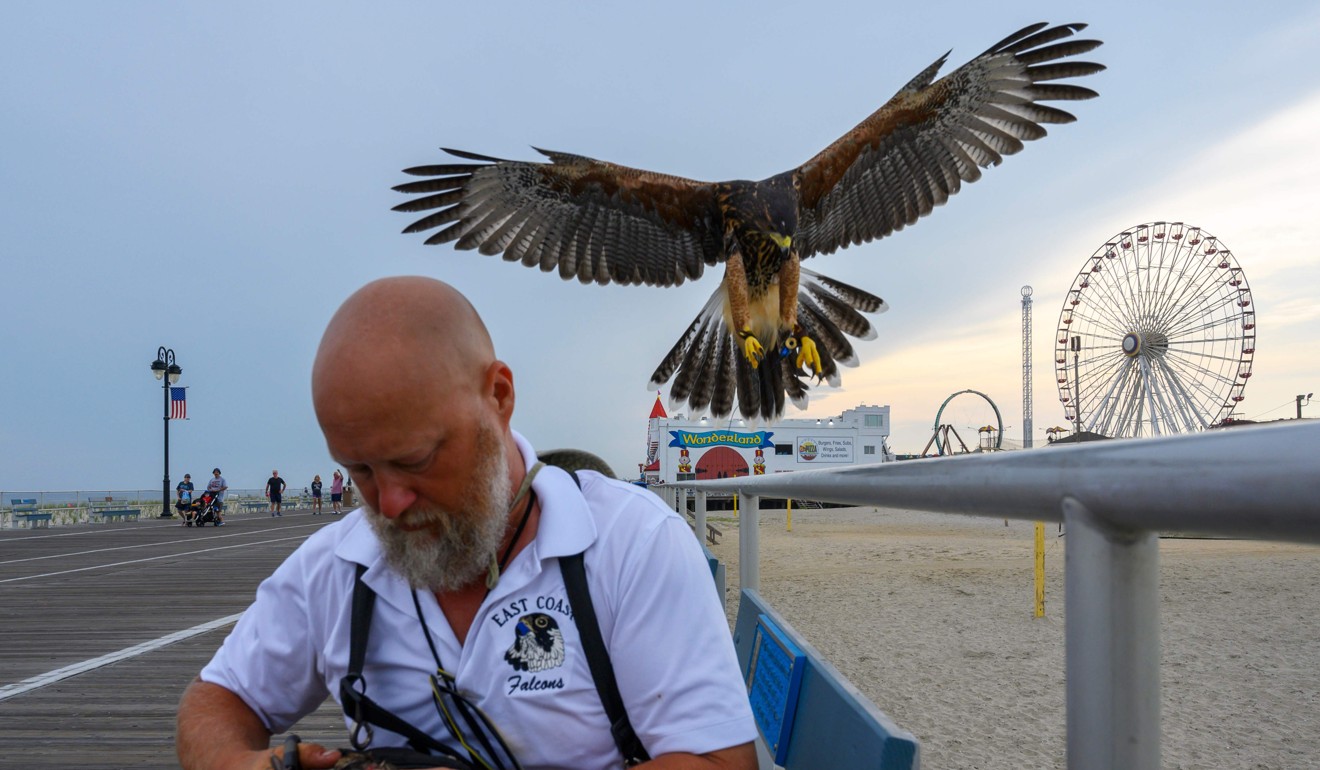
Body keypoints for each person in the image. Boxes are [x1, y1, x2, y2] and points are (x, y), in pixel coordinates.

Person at [176, 277, 757, 770]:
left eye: (415, 460)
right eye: (359, 470)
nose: (390, 503)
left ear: (498, 397)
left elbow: (718, 762)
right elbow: (215, 702)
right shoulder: (337, 566)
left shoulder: (633, 545)